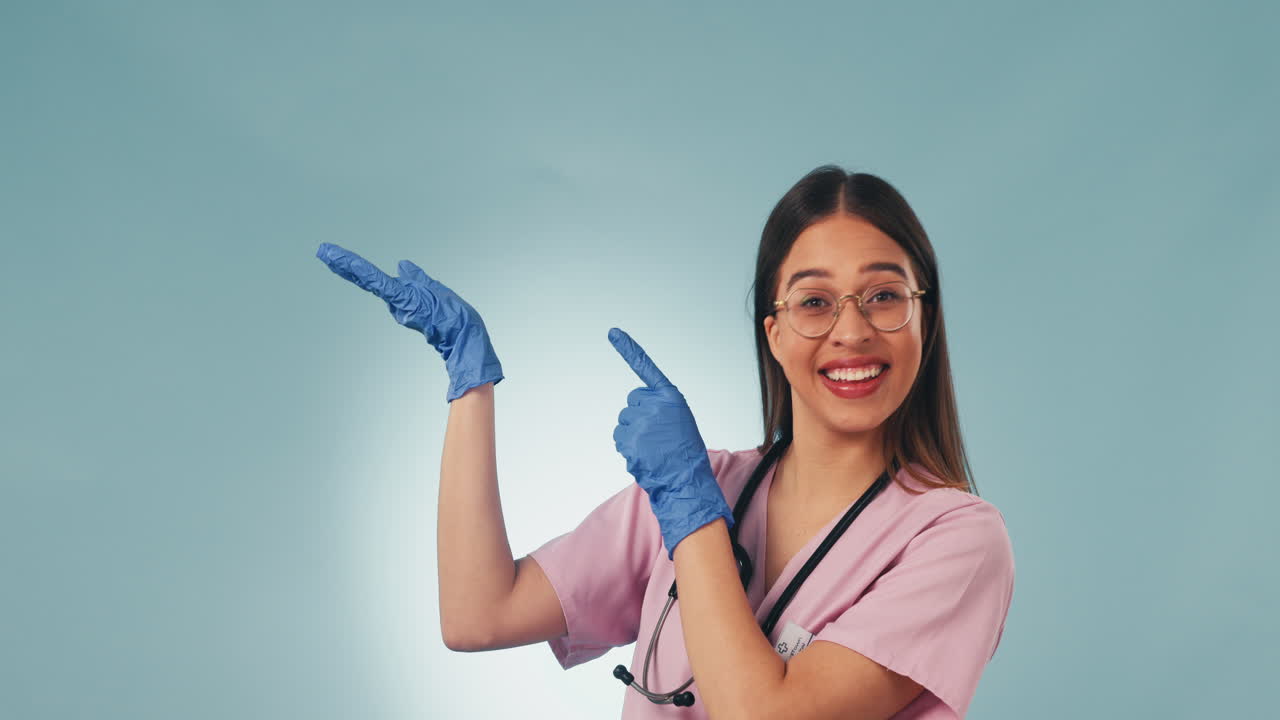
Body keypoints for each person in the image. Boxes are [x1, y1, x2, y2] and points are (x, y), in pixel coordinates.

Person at [315, 165, 1016, 719]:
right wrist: (469, 379)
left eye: (885, 295)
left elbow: (765, 714)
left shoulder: (955, 540)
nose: (853, 330)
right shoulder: (704, 484)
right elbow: (478, 612)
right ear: (773, 332)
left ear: (925, 318)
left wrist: (690, 511)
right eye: (813, 301)